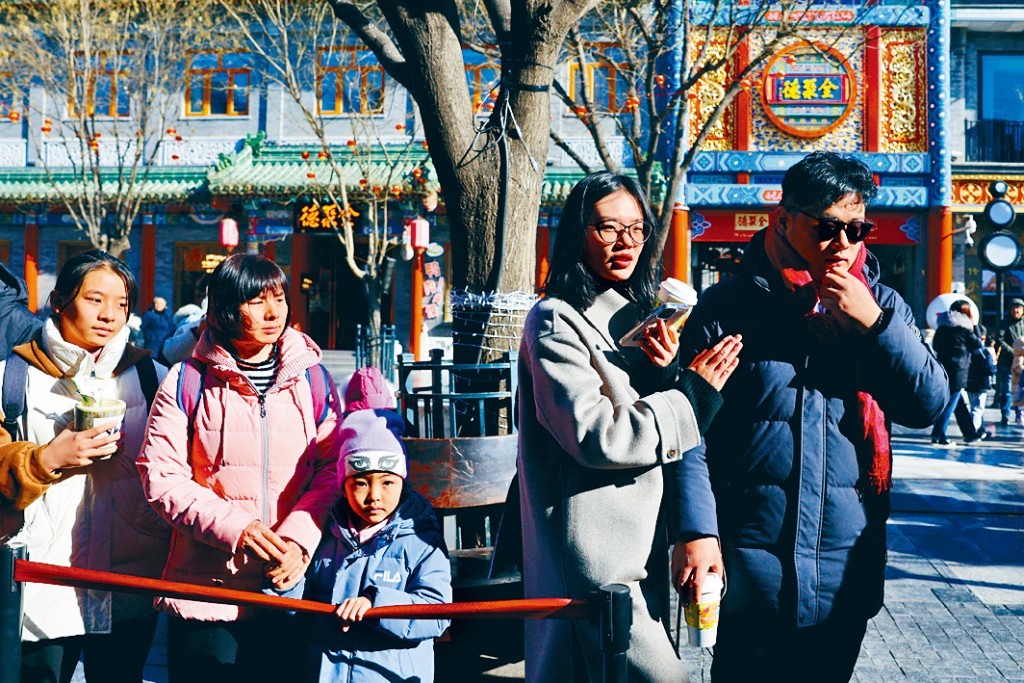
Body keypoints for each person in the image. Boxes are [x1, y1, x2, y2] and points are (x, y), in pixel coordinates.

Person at [671, 152, 947, 683]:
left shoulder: (882, 304)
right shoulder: (727, 309)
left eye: (856, 228)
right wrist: (697, 531)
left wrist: (875, 325)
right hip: (751, 561)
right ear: (785, 220)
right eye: (826, 227)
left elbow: (927, 405)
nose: (843, 243)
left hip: (845, 562)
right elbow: (690, 435)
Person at [517, 171, 742, 682]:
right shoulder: (556, 319)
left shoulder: (637, 318)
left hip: (639, 543)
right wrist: (691, 394)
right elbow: (597, 435)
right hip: (594, 553)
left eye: (637, 230)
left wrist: (665, 373)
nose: (626, 243)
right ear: (577, 233)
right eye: (607, 229)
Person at [137, 254, 342, 682]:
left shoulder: (314, 380)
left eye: (280, 298)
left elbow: (330, 469)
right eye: (256, 301)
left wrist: (299, 542)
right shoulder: (186, 380)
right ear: (227, 308)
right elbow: (161, 476)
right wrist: (238, 529)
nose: (273, 312)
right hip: (206, 591)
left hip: (288, 586)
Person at [0, 250, 169, 683]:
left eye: (122, 304)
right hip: (40, 584)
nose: (109, 315)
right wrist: (45, 459)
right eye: (95, 300)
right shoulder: (10, 377)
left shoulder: (154, 377)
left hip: (130, 579)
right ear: (57, 301)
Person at [291, 409, 451, 682]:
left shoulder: (422, 540)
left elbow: (437, 613)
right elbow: (299, 606)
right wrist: (283, 582)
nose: (374, 496)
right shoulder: (324, 535)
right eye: (361, 483)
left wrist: (376, 604)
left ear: (403, 482)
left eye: (387, 482)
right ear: (343, 485)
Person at [931, 299, 989, 445]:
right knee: (951, 403)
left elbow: (936, 346)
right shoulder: (965, 328)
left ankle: (969, 433)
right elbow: (977, 345)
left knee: (958, 403)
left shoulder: (942, 327)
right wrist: (974, 326)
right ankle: (938, 435)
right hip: (959, 370)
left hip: (943, 367)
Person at [995, 298, 1024, 426]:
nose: (1016, 311)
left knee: (1020, 389)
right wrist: (1013, 351)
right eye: (1013, 308)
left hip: (1022, 363)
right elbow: (999, 340)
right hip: (1007, 362)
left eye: (1019, 308)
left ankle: (1019, 414)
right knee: (1006, 389)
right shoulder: (1004, 323)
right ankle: (1005, 414)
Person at [967, 335, 998, 433]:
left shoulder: (968, 351)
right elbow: (990, 369)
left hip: (969, 382)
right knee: (978, 408)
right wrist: (994, 368)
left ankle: (980, 428)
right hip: (981, 383)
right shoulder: (984, 352)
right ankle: (973, 431)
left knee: (972, 406)